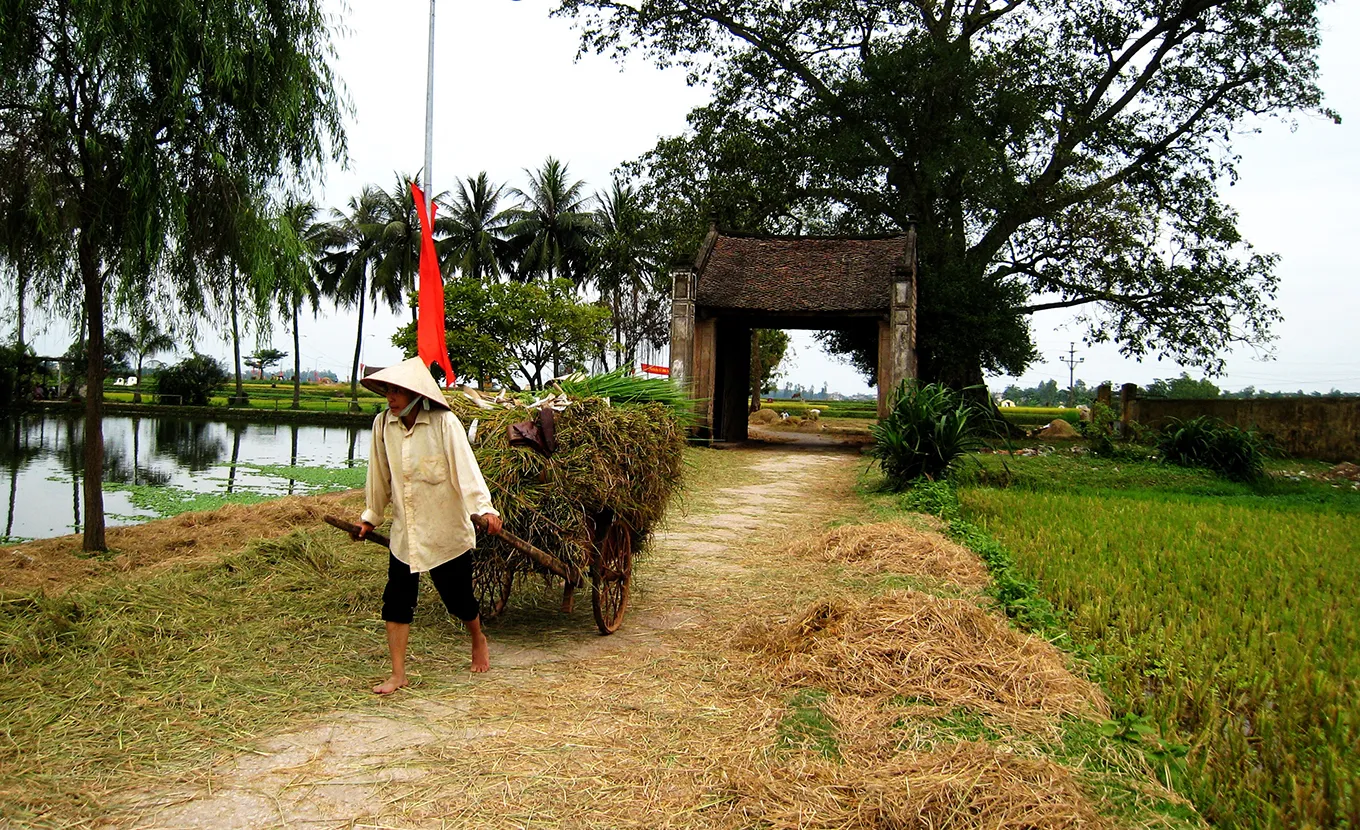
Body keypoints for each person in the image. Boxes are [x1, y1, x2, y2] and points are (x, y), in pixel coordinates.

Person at [353, 357, 503, 693]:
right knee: (396, 600)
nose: (390, 397)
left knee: (459, 600)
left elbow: (466, 470)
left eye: (396, 391)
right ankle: (398, 674)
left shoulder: (443, 424)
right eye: (387, 390)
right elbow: (378, 477)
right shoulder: (382, 426)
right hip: (405, 533)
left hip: (444, 530)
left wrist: (484, 508)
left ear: (416, 394)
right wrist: (369, 517)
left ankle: (477, 637)